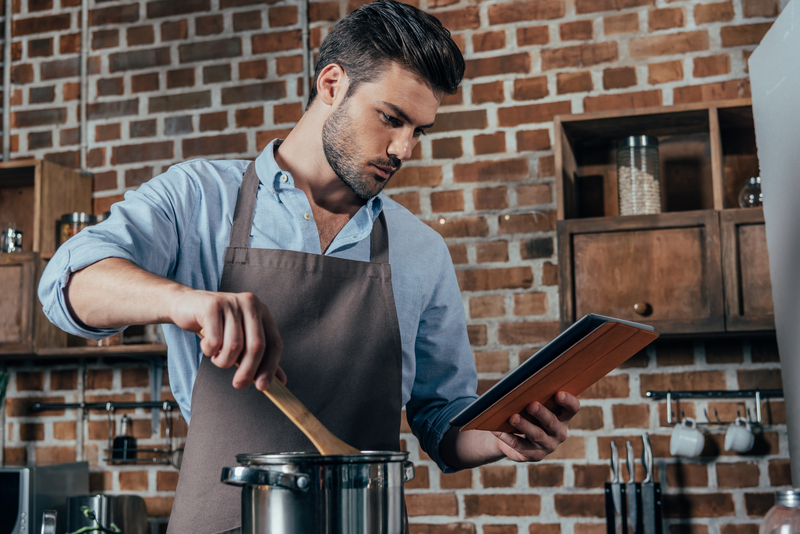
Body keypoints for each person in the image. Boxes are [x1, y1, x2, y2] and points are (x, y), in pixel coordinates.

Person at [39, 1, 580, 532]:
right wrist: (185, 302)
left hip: (366, 521)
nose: (404, 148)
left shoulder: (421, 250)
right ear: (331, 84)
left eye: (419, 130)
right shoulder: (198, 198)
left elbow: (441, 421)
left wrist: (499, 436)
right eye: (392, 119)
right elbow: (67, 286)